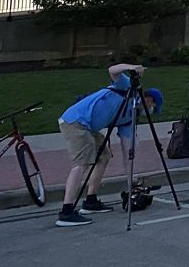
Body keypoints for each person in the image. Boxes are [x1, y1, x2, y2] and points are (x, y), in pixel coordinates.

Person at [55, 63, 162, 226]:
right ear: (148, 98)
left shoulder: (129, 118)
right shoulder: (127, 87)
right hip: (76, 121)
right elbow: (112, 70)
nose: (152, 108)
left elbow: (128, 154)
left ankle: (90, 201)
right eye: (153, 104)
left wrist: (130, 181)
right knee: (81, 164)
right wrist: (132, 67)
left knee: (104, 156)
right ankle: (66, 212)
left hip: (89, 127)